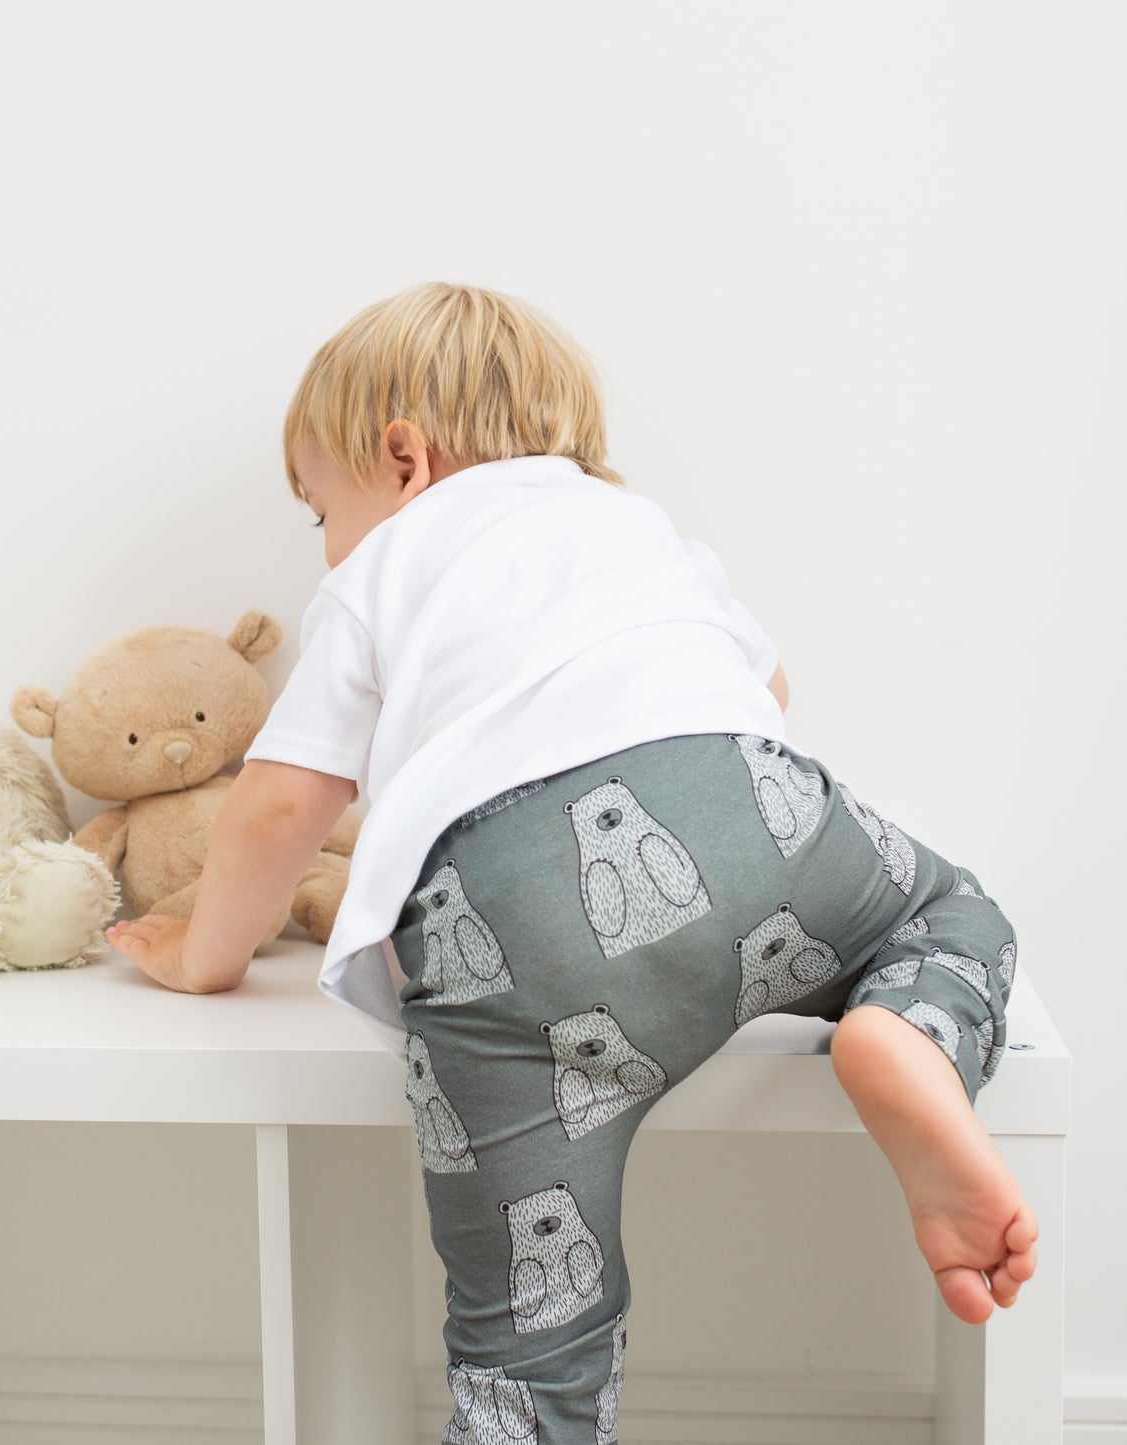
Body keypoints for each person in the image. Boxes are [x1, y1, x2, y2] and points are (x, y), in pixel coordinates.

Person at [107, 282, 1037, 1442]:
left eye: (320, 508)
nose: (328, 541)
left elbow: (283, 800)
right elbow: (766, 690)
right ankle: (906, 1034)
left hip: (509, 940)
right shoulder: (636, 526)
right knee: (953, 915)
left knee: (526, 1351)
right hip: (759, 820)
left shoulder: (378, 567)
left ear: (402, 459)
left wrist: (203, 955)